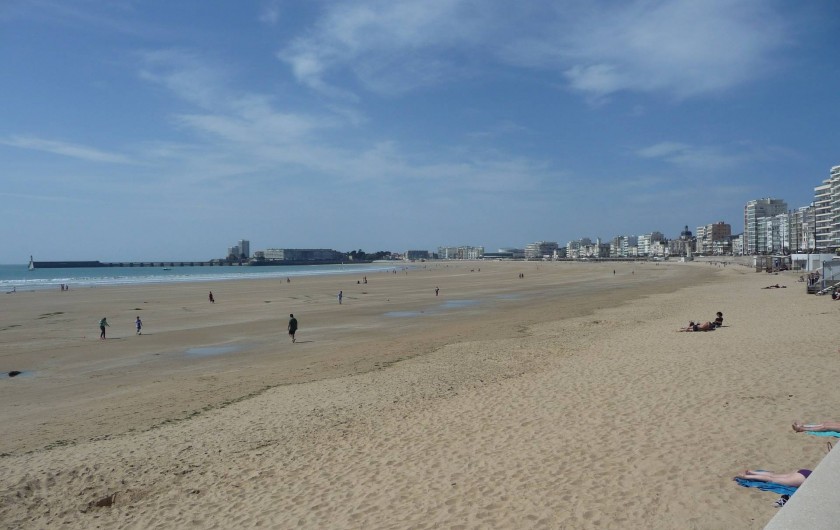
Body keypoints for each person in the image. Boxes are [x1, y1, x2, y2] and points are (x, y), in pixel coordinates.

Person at [734, 469, 811, 488]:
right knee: (772, 479)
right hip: (802, 478)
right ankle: (747, 476)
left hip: (806, 472)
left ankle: (752, 472)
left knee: (775, 476)